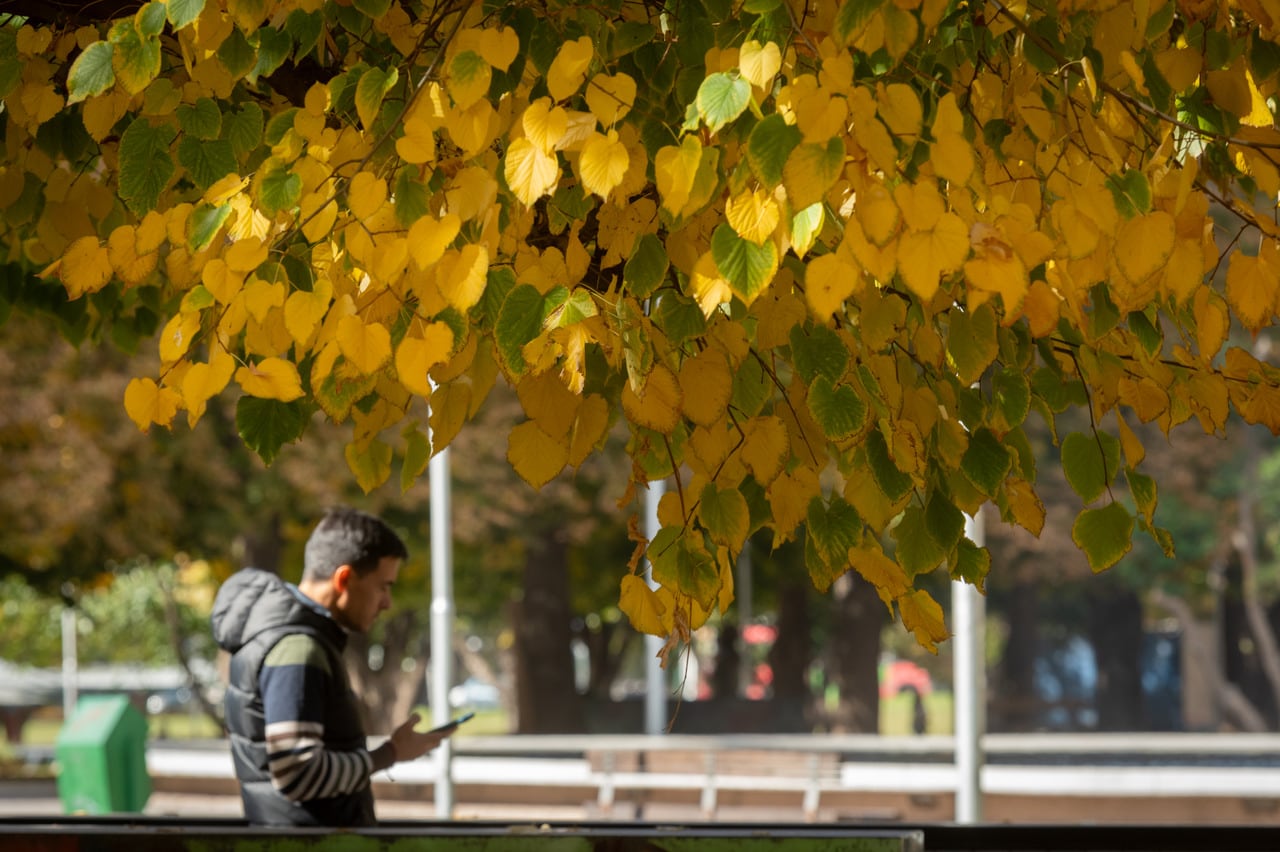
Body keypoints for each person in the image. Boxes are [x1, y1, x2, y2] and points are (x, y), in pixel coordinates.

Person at [211, 506, 453, 827]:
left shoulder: (289, 639)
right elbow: (297, 773)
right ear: (344, 578)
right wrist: (389, 754)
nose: (387, 603)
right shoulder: (298, 649)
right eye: (383, 586)